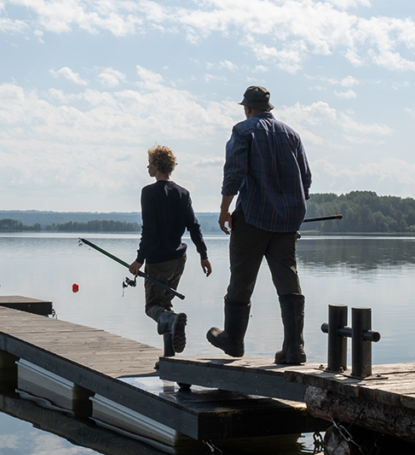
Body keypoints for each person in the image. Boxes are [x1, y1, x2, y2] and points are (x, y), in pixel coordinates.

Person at [206, 86, 311, 364]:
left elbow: (235, 173)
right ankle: (294, 348)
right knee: (288, 279)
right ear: (269, 108)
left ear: (247, 108)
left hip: (252, 217)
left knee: (242, 277)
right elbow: (306, 178)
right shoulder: (292, 134)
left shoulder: (243, 131)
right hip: (288, 220)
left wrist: (225, 209)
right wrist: (293, 208)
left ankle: (233, 341)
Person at [129, 145, 212, 354]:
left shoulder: (148, 192)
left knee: (153, 307)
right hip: (178, 260)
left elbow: (149, 229)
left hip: (158, 260)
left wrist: (139, 260)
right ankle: (169, 357)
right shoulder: (183, 193)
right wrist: (203, 255)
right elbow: (194, 226)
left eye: (149, 163)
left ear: (156, 166)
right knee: (165, 303)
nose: (147, 167)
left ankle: (173, 320)